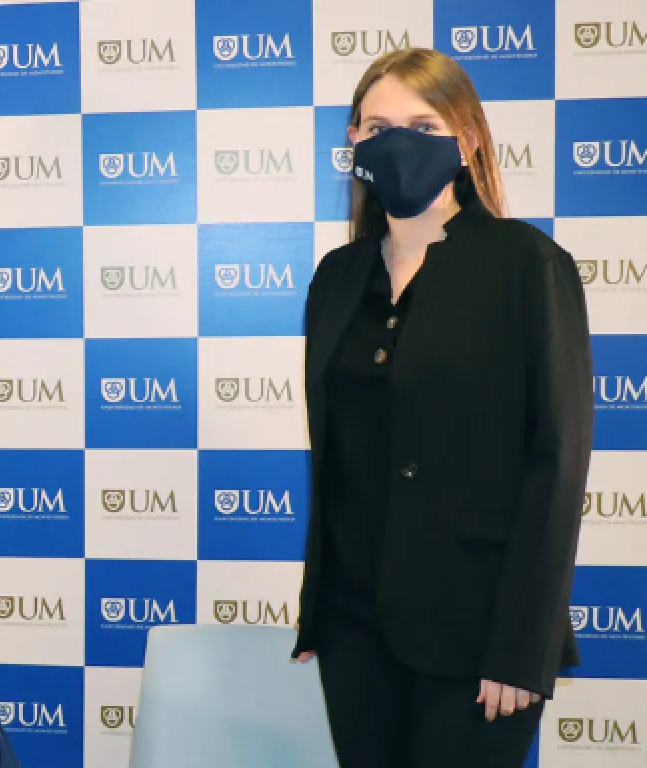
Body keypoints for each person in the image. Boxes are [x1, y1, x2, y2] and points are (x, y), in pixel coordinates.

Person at [291, 49, 593, 767]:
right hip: (354, 627)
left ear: (469, 139)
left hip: (478, 632)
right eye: (376, 126)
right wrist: (319, 611)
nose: (397, 140)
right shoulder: (337, 277)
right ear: (353, 145)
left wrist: (522, 647)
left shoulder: (526, 265)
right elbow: (339, 457)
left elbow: (557, 463)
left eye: (423, 124)